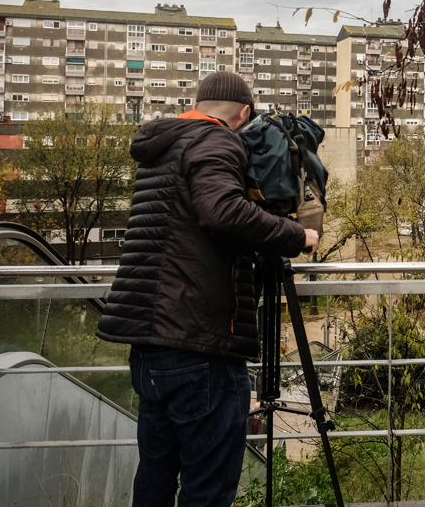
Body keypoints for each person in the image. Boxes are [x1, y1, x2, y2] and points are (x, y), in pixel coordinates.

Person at [97, 71, 318, 507]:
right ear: (244, 113)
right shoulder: (216, 141)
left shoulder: (165, 146)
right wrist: (297, 235)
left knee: (156, 479)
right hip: (199, 342)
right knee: (209, 489)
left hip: (151, 345)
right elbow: (221, 210)